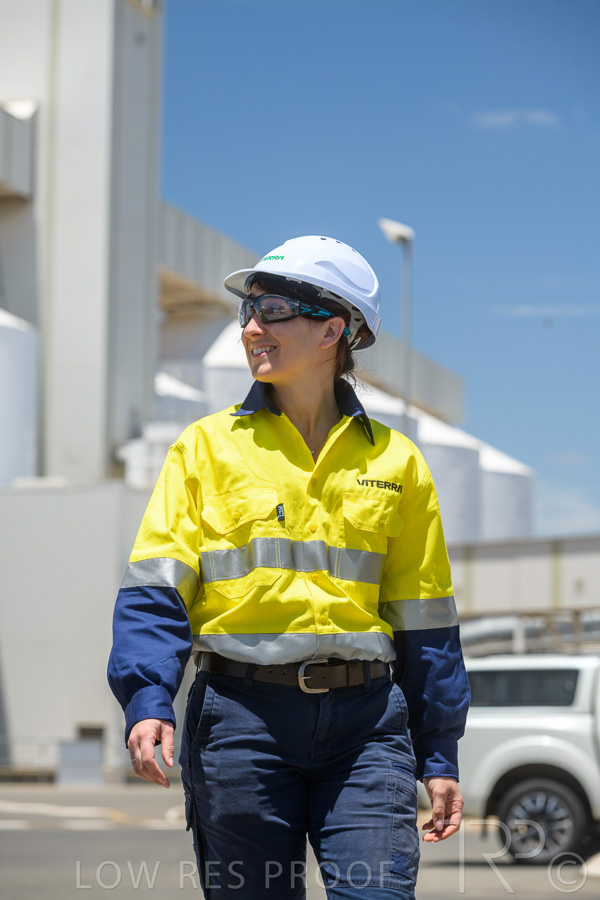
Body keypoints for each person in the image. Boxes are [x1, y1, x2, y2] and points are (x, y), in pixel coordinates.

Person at [108, 235, 470, 900]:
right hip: (240, 722)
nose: (251, 328)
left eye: (272, 310)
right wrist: (146, 697)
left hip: (368, 729)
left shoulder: (397, 462)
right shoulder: (205, 449)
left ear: (334, 329)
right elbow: (156, 591)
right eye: (247, 310)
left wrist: (439, 752)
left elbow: (427, 621)